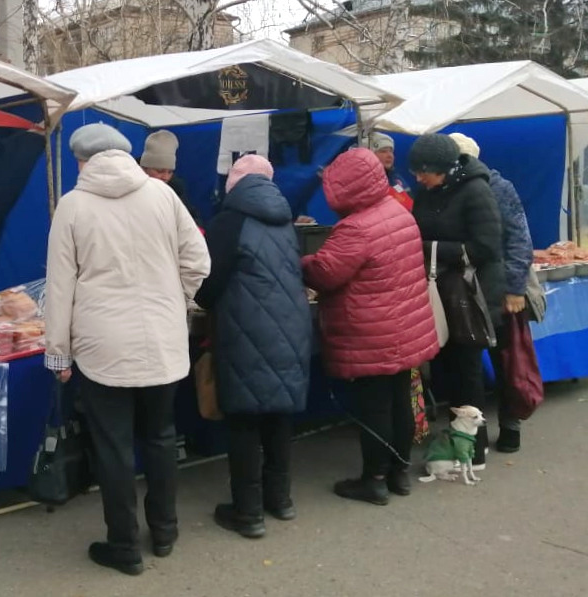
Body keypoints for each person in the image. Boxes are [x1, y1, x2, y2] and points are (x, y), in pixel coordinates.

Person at [44, 123, 210, 576]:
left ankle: (124, 545)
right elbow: (199, 261)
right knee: (159, 437)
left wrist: (58, 352)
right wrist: (176, 301)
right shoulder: (163, 195)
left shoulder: (73, 206)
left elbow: (60, 288)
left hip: (102, 347)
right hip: (163, 340)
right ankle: (165, 531)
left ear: (82, 161)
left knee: (113, 447)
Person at [301, 149, 439, 505]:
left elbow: (326, 273)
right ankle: (398, 473)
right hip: (405, 326)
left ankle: (374, 479)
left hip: (371, 332)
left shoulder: (356, 227)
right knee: (400, 401)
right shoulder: (397, 211)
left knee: (375, 406)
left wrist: (301, 260)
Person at [194, 155, 311, 538]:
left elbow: (211, 284)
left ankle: (248, 512)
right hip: (291, 326)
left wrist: (203, 300)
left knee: (244, 418)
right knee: (279, 415)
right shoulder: (285, 219)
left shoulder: (230, 221)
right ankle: (281, 500)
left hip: (246, 327)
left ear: (234, 184)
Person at [408, 134, 504, 468]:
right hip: (438, 293)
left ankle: (475, 449)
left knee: (467, 370)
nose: (419, 178)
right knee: (447, 368)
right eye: (416, 171)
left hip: (468, 294)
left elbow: (489, 245)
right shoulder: (427, 192)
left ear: (445, 167)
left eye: (424, 171)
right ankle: (455, 438)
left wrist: (429, 248)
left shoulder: (477, 191)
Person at [449, 133, 534, 453]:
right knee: (468, 364)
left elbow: (519, 241)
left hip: (499, 291)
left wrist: (514, 289)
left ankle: (511, 427)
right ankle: (473, 434)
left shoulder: (500, 188)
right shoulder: (449, 191)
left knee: (506, 362)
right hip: (465, 291)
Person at [139, 129, 202, 226]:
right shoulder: (130, 187)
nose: (166, 177)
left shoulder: (176, 190)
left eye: (170, 172)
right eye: (159, 171)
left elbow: (192, 219)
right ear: (144, 169)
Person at [369, 133, 413, 211]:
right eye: (383, 151)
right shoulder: (366, 182)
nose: (389, 155)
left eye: (391, 151)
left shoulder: (397, 179)